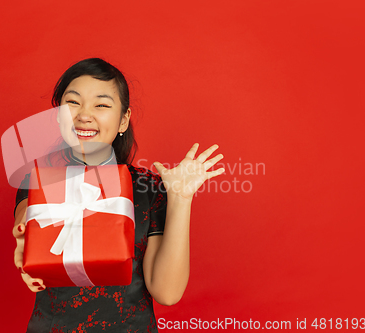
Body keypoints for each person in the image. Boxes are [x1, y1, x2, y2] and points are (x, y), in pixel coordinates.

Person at [12, 58, 225, 332]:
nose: (84, 115)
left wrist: (181, 198)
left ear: (123, 119)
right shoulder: (37, 181)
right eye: (73, 103)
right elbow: (25, 226)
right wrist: (24, 243)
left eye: (101, 105)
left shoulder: (147, 188)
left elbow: (167, 292)